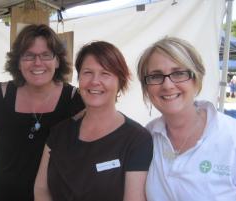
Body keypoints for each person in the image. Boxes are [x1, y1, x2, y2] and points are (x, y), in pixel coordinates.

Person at [34, 41, 153, 201]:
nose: (95, 81)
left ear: (120, 82)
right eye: (88, 72)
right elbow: (41, 189)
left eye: (105, 73)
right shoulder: (59, 132)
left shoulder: (137, 139)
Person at [0, 24, 85, 201]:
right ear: (18, 62)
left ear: (57, 61)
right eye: (29, 55)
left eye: (46, 55)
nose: (37, 63)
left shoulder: (75, 100)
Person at [137, 37, 236, 201]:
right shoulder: (147, 137)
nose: (167, 85)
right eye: (155, 76)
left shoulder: (233, 137)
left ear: (196, 78)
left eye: (178, 73)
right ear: (146, 88)